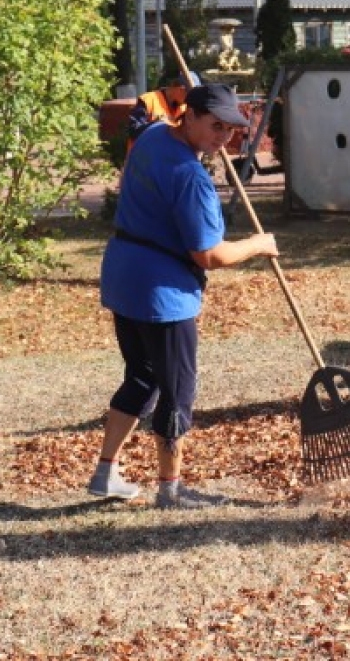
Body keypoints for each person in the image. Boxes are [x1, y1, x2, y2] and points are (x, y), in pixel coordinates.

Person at [91, 83, 279, 508]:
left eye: (230, 130)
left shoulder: (154, 135)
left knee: (141, 377)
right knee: (177, 390)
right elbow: (209, 254)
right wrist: (258, 244)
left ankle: (106, 473)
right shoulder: (190, 177)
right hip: (162, 295)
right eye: (214, 126)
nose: (223, 139)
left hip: (124, 276)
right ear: (188, 116)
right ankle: (170, 490)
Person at [124, 71, 199, 155]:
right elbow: (133, 131)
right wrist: (157, 125)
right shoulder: (148, 100)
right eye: (189, 96)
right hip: (142, 162)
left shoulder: (184, 109)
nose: (189, 101)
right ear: (180, 90)